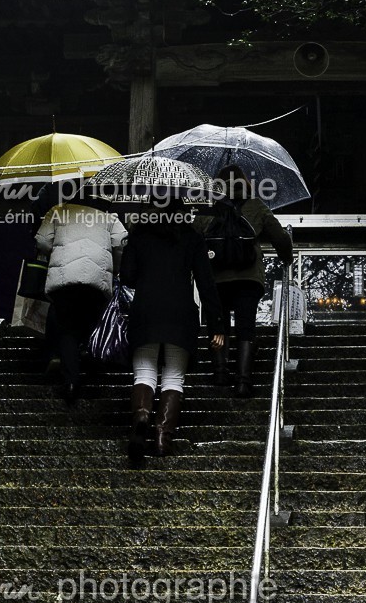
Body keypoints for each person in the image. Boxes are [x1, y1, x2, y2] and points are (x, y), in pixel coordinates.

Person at [120, 209, 226, 462]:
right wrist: (216, 324)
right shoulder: (191, 236)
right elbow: (206, 282)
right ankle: (162, 438)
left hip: (146, 310)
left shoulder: (139, 235)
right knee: (173, 378)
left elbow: (127, 276)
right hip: (180, 313)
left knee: (144, 373)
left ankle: (142, 416)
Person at [199, 170, 294, 396]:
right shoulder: (255, 206)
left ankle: (220, 372)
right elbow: (279, 237)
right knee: (246, 326)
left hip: (216, 277)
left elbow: (194, 236)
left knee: (218, 322)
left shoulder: (209, 208)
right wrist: (287, 256)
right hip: (248, 277)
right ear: (246, 184)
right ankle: (243, 381)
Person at [34, 200, 126, 403]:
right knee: (93, 324)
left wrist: (57, 250)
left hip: (64, 278)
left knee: (67, 329)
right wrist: (116, 267)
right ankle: (94, 373)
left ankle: (71, 382)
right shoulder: (108, 217)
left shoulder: (57, 211)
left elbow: (42, 241)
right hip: (97, 279)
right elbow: (121, 243)